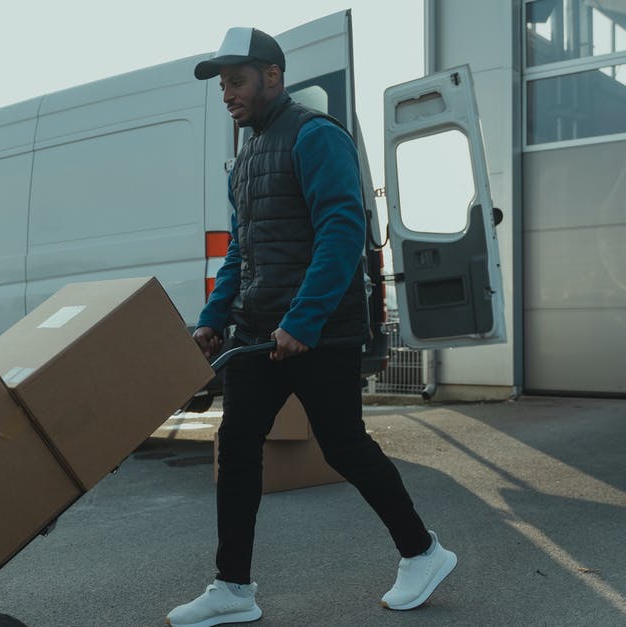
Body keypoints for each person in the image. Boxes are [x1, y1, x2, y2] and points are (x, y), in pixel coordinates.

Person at [165, 27, 457, 627]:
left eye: (237, 81)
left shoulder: (316, 137)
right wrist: (213, 318)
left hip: (319, 332)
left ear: (273, 76)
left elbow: (342, 233)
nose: (227, 94)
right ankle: (233, 587)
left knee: (345, 446)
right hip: (258, 332)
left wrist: (304, 320)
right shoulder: (245, 160)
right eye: (222, 84)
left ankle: (423, 553)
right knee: (238, 447)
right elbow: (242, 252)